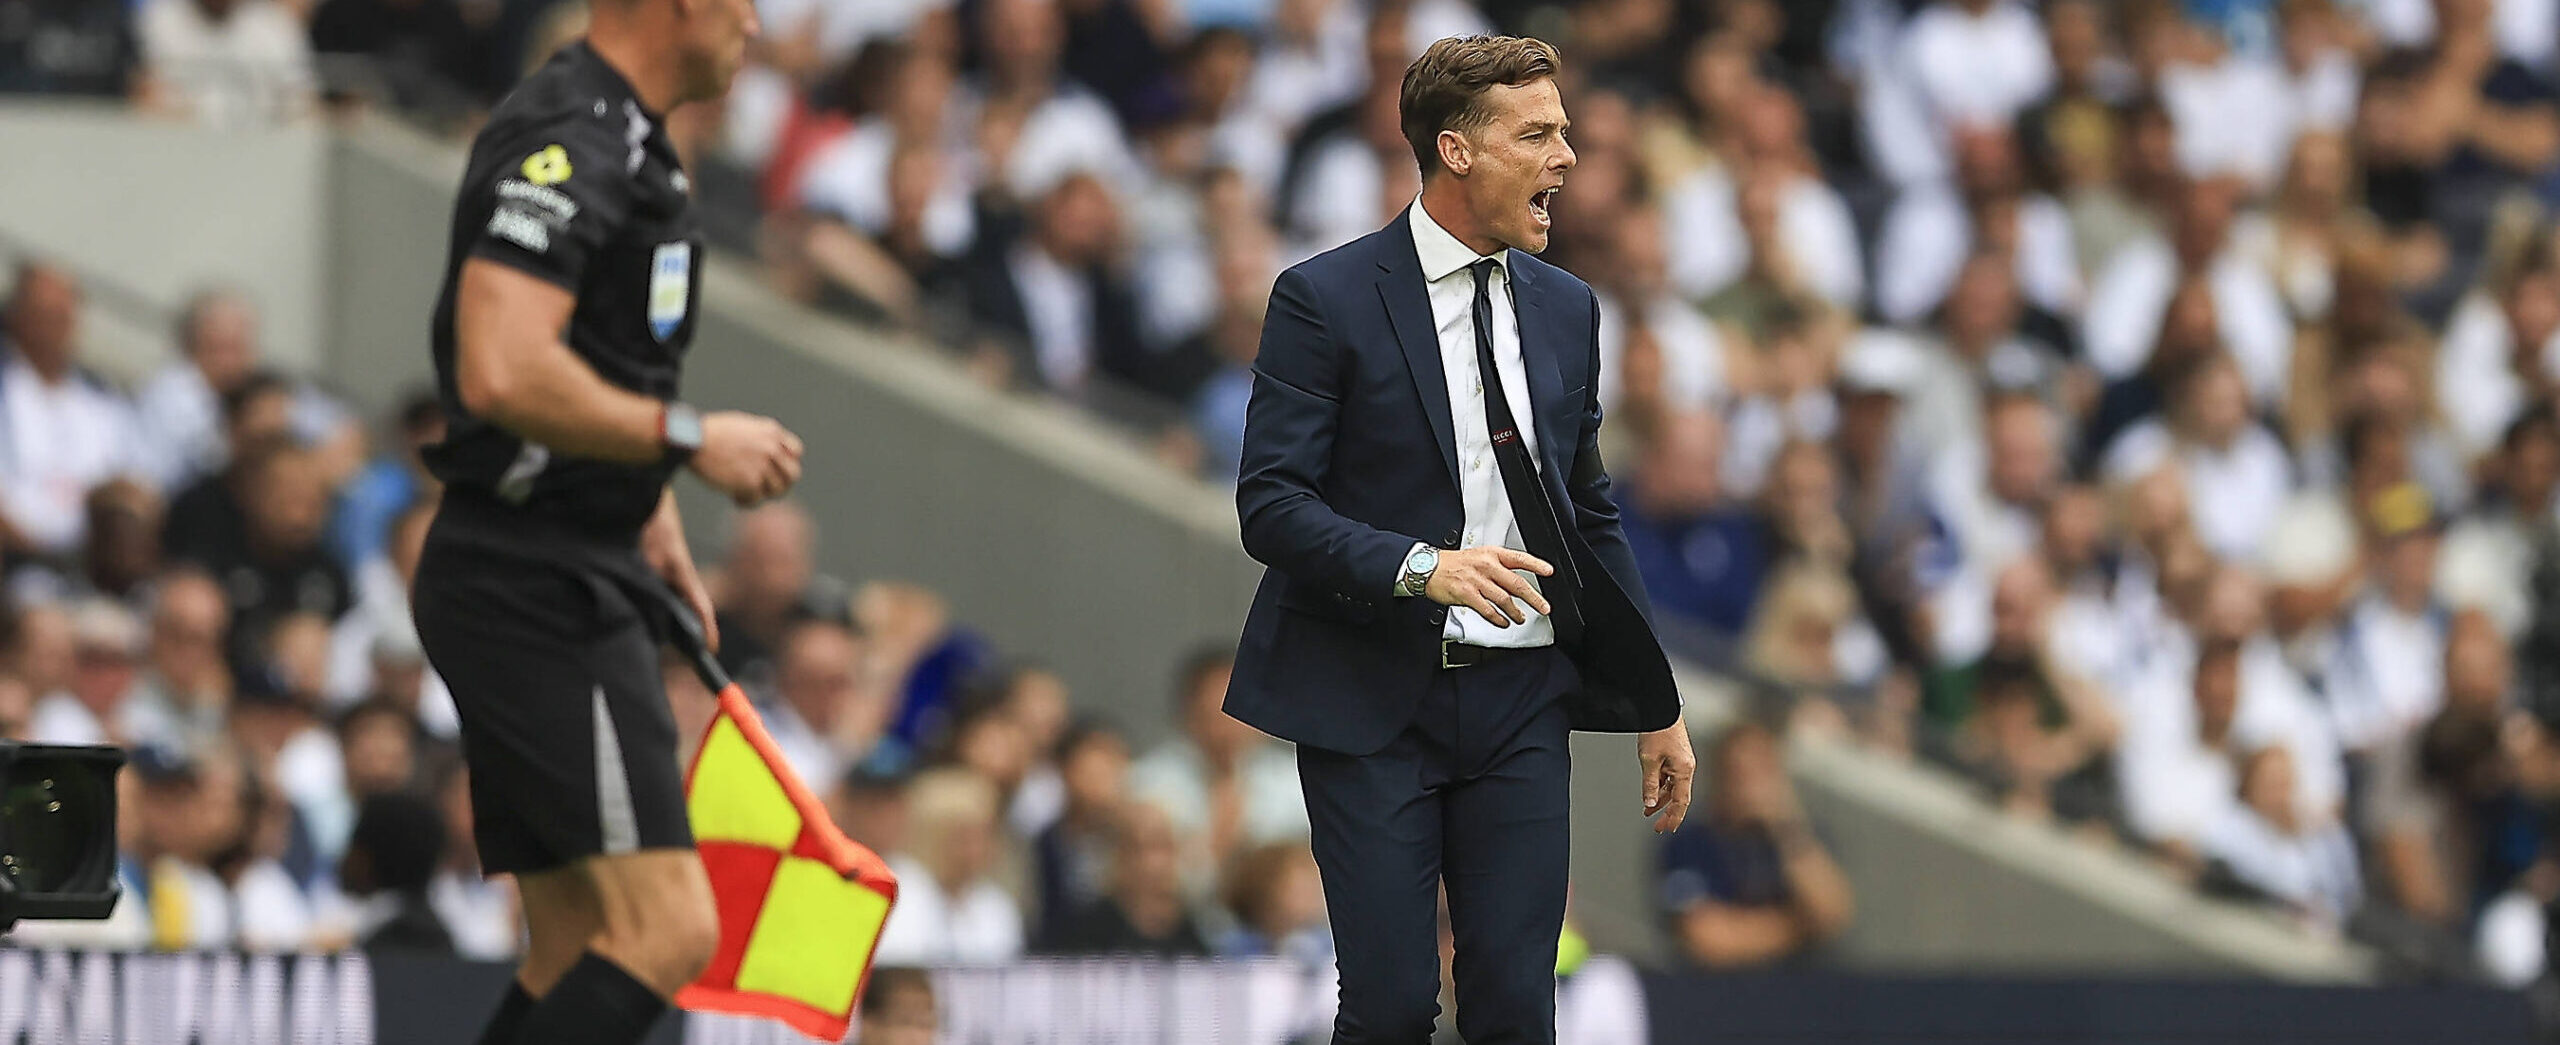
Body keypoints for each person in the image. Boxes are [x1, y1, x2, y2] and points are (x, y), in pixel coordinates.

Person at [1230, 35, 1694, 1044]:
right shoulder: (1326, 298)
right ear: (1456, 151)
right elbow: (1270, 504)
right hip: (1371, 694)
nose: (1566, 159)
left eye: (1563, 132)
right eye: (1537, 135)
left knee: (1518, 1010)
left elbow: (1589, 511)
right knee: (1393, 1005)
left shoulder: (1569, 309)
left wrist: (1654, 700)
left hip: (1522, 699)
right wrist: (1423, 568)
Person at [405, 0, 803, 1036]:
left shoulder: (636, 142)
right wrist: (688, 438)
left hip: (563, 555)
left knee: (577, 942)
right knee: (669, 929)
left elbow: (585, 356)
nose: (756, 26)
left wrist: (649, 499)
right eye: (742, 1)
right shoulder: (573, 137)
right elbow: (501, 365)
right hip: (536, 583)